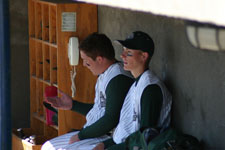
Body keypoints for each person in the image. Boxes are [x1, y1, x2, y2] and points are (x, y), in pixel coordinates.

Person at [41, 33, 134, 150]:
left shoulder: (118, 79)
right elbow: (99, 110)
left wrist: (81, 135)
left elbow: (111, 119)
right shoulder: (105, 74)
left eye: (86, 61)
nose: (84, 64)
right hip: (95, 133)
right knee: (47, 147)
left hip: (108, 137)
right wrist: (73, 105)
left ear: (99, 59)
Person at [93, 31, 172, 150]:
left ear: (143, 56)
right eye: (124, 50)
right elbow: (126, 130)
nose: (122, 55)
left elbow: (145, 139)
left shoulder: (150, 88)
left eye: (129, 53)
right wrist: (104, 145)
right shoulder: (137, 83)